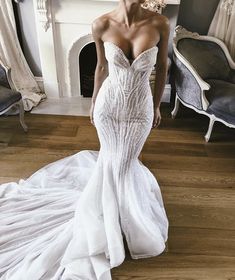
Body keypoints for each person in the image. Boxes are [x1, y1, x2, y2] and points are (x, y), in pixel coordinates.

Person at [0, 0, 169, 279]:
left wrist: (157, 105)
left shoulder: (159, 23)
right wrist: (93, 104)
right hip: (109, 108)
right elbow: (102, 67)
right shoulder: (101, 24)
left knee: (124, 164)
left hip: (140, 110)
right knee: (112, 162)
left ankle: (123, 217)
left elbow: (161, 67)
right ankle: (110, 219)